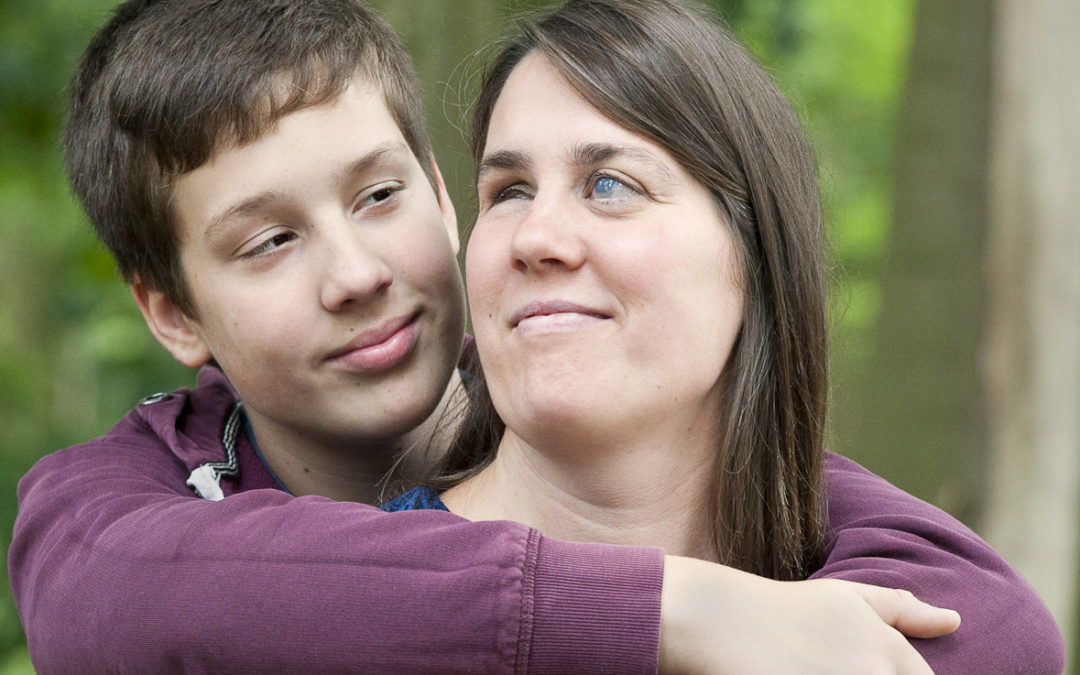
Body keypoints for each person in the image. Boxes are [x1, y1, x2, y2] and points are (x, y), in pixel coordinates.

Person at [6, 0, 1054, 672]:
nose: (358, 274)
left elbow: (986, 626)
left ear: (443, 202)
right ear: (172, 310)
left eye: (380, 195)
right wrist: (673, 615)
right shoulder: (136, 505)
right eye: (270, 241)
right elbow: (117, 593)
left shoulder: (677, 446)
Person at [382, 0, 1066, 672]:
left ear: (753, 256)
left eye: (609, 185)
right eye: (509, 190)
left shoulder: (855, 609)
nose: (535, 238)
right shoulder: (352, 604)